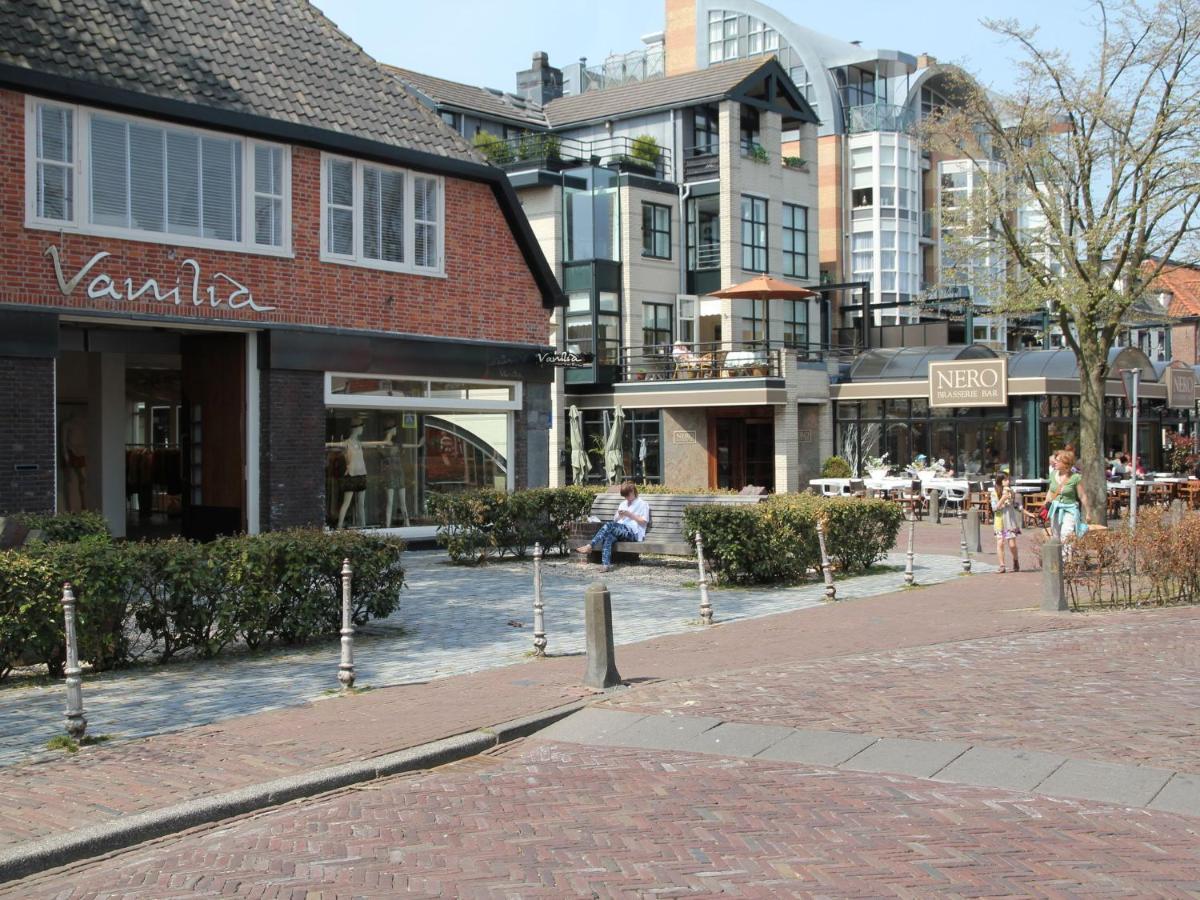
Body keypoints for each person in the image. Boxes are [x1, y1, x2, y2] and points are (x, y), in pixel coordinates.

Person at [575, 481, 651, 571]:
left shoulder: (643, 504)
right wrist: (620, 515)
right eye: (625, 496)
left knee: (608, 525)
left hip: (633, 533)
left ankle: (590, 546)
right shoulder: (623, 504)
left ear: (633, 491)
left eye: (627, 495)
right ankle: (605, 565)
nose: (626, 498)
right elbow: (615, 520)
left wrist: (630, 515)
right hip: (620, 529)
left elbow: (644, 522)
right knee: (608, 536)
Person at [1045, 450, 1091, 550]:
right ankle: (1057, 562)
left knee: (1066, 535)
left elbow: (1082, 495)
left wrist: (1088, 512)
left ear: (1065, 464)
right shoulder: (1053, 474)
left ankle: (1066, 562)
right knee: (1055, 537)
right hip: (1055, 508)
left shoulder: (1075, 477)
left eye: (1057, 461)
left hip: (1070, 509)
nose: (1054, 462)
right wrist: (1046, 501)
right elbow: (1051, 490)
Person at [989, 472, 1021, 573]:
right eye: (1005, 480)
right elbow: (994, 508)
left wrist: (1026, 512)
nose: (1008, 481)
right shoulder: (994, 492)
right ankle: (1002, 565)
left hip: (1009, 521)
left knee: (1012, 544)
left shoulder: (1011, 491)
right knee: (1000, 542)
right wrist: (1003, 498)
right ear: (1000, 481)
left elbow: (1015, 505)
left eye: (1008, 479)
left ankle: (1015, 560)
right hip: (999, 521)